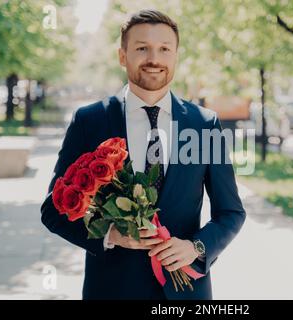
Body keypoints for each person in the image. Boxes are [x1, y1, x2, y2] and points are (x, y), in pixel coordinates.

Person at [40, 9, 246, 300]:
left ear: (176, 56)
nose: (154, 58)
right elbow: (53, 210)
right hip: (111, 289)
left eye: (164, 49)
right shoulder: (89, 121)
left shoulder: (204, 123)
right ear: (122, 56)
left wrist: (196, 248)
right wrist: (110, 234)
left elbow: (231, 212)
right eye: (142, 48)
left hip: (185, 293)